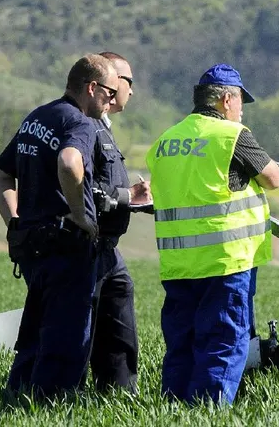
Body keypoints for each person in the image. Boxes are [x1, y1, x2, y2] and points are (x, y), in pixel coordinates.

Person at [146, 63, 279, 405]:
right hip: (225, 261)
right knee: (223, 341)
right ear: (226, 100)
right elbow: (273, 178)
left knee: (182, 343)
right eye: (240, 103)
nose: (241, 112)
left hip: (178, 263)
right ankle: (208, 411)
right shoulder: (231, 136)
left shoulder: (165, 141)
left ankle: (174, 408)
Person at [0, 54, 118, 402]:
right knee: (67, 334)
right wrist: (81, 215)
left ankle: (19, 395)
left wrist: (15, 222)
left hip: (33, 245)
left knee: (37, 328)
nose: (111, 101)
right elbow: (69, 161)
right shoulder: (80, 123)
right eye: (109, 93)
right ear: (92, 88)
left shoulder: (39, 116)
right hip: (67, 246)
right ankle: (52, 403)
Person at [86, 51, 151, 393]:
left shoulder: (104, 128)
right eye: (128, 82)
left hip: (109, 249)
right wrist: (129, 196)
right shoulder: (86, 127)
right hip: (88, 247)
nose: (131, 90)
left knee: (119, 316)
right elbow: (82, 186)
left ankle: (119, 395)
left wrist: (134, 198)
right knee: (80, 329)